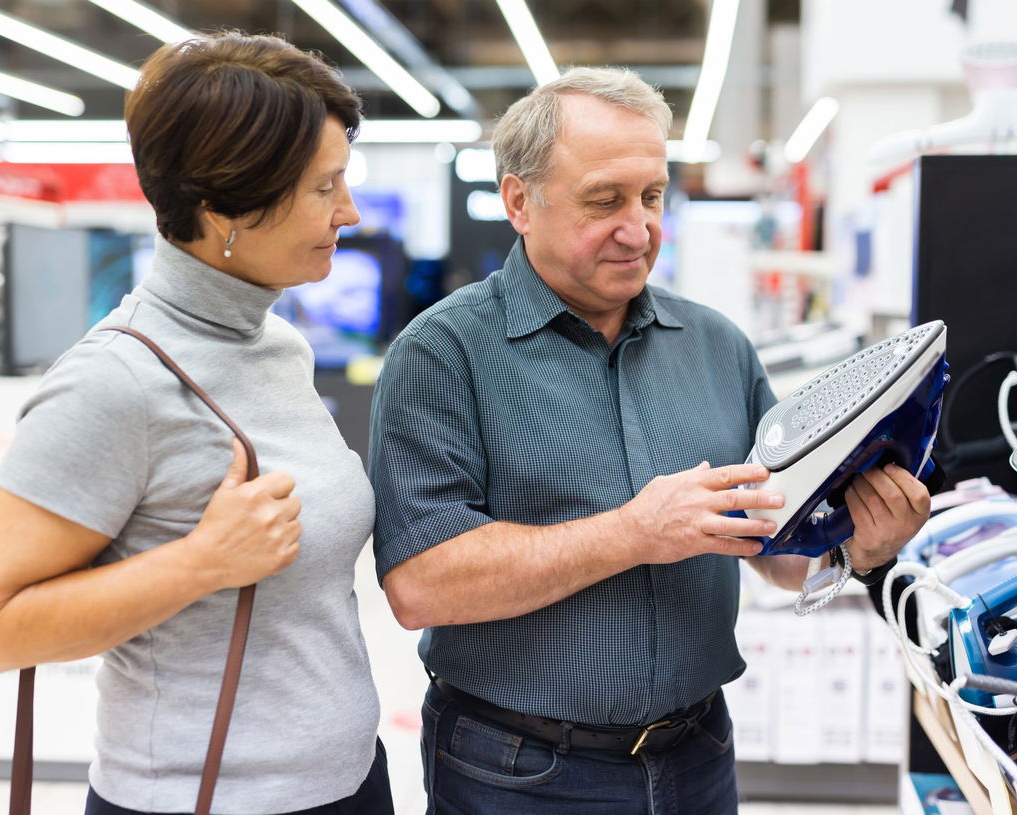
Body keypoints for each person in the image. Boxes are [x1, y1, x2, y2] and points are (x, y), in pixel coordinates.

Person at [368, 67, 931, 814]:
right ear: (518, 202)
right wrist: (634, 532)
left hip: (699, 756)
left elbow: (775, 545)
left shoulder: (716, 345)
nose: (638, 229)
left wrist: (858, 547)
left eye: (653, 196)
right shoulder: (443, 353)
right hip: (520, 772)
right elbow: (419, 583)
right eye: (604, 201)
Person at [0, 32, 392, 815]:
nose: (350, 212)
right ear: (224, 204)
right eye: (324, 187)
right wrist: (201, 561)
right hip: (206, 799)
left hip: (347, 783)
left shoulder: (278, 345)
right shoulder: (114, 382)